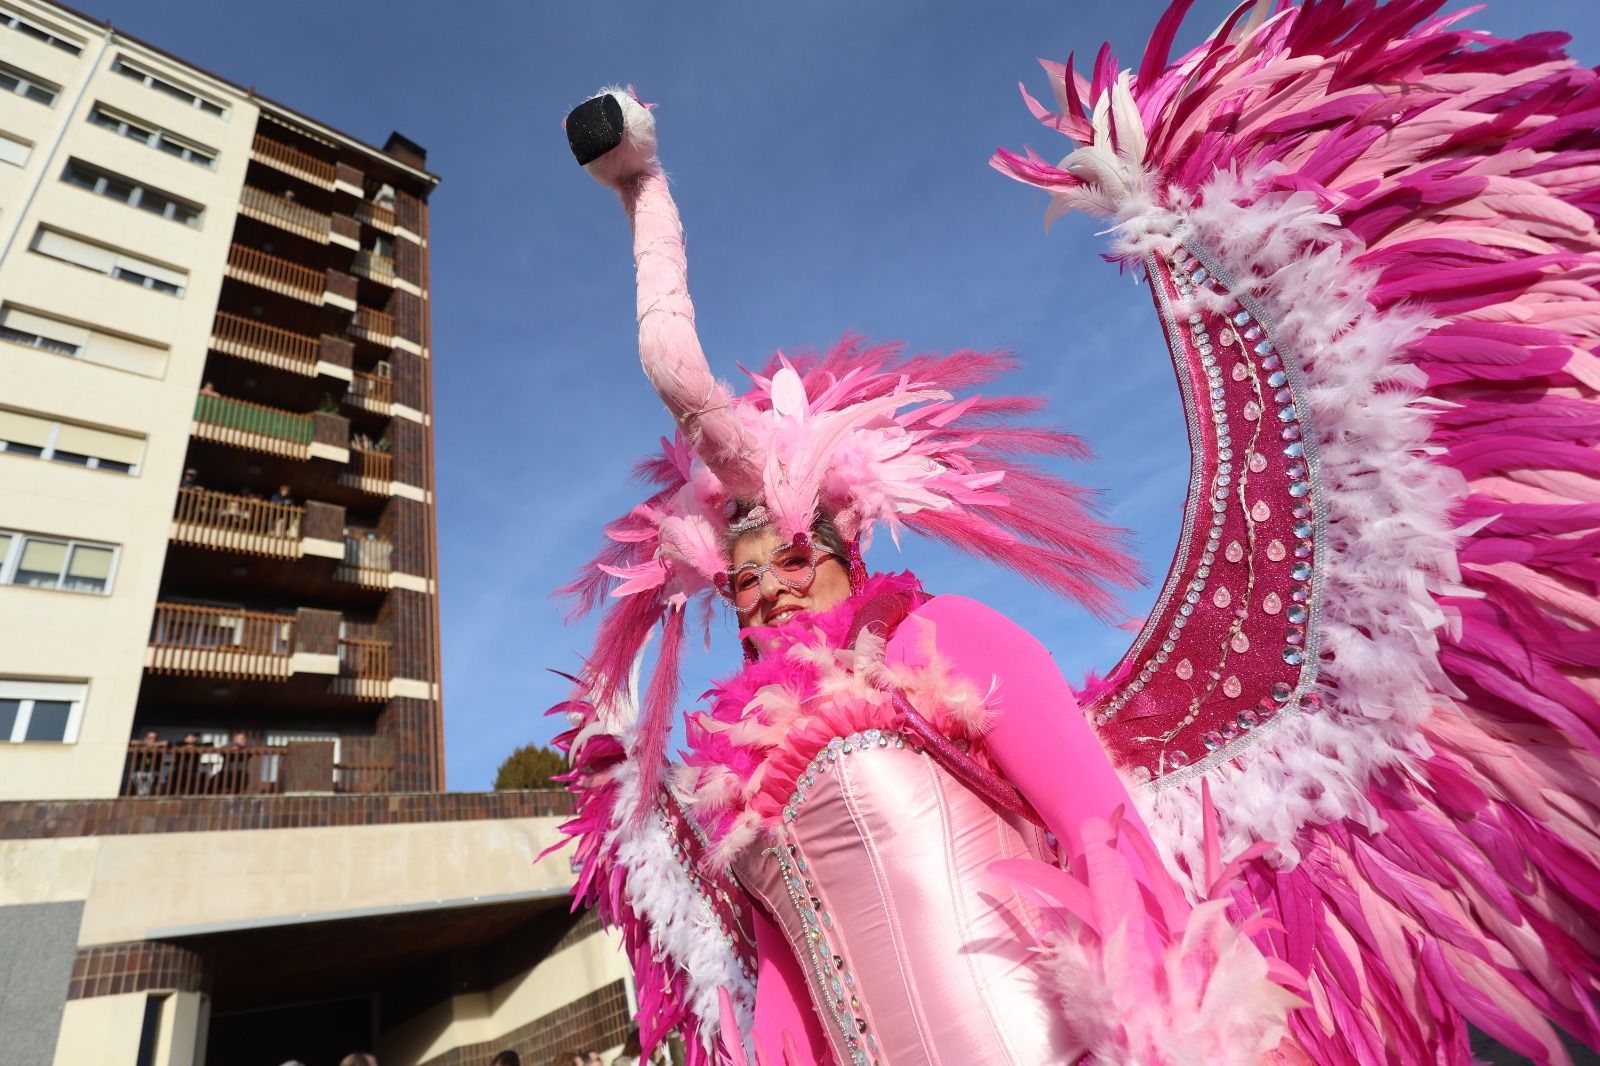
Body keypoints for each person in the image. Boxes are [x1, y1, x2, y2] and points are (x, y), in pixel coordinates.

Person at [555, 5, 1600, 1057]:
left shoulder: (936, 641)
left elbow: (1100, 825)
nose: (767, 590)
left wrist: (1159, 1021)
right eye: (741, 581)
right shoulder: (736, 783)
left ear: (843, 551)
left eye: (786, 556)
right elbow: (784, 1004)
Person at [129, 729, 166, 796]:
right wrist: (146, 743)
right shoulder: (140, 746)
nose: (152, 740)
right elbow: (132, 742)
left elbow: (165, 743)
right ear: (145, 738)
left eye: (154, 738)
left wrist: (153, 745)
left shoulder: (159, 747)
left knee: (154, 791)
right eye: (150, 738)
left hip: (154, 772)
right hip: (140, 772)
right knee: (142, 792)